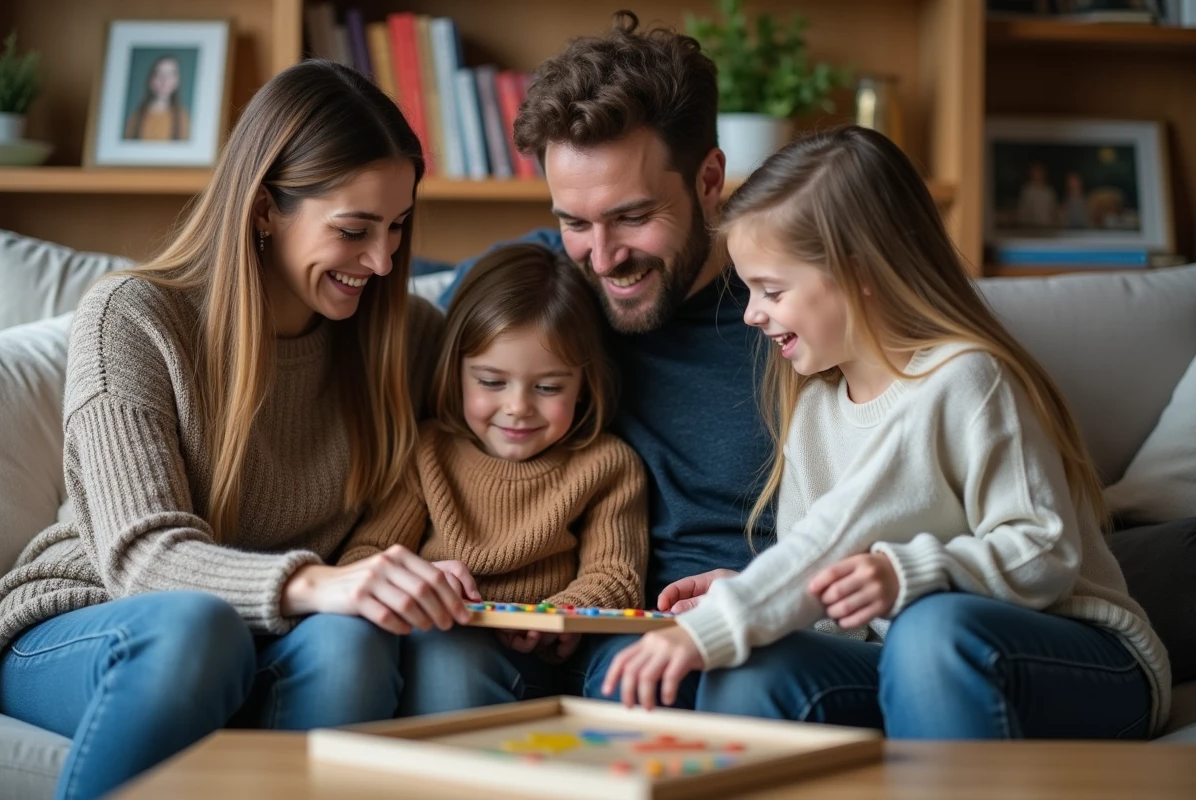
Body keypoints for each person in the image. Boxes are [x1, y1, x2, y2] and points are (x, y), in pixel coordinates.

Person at [601, 126, 1172, 739]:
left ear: (858, 272)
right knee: (751, 669)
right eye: (748, 290)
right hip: (904, 659)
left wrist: (910, 576)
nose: (750, 314)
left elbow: (1044, 552)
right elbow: (822, 566)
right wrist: (756, 593)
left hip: (1086, 657)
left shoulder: (965, 380)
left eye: (771, 290)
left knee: (933, 629)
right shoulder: (815, 408)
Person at [0, 60, 467, 799]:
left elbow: (507, 428)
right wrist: (322, 582)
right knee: (200, 629)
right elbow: (142, 558)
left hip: (279, 635)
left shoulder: (405, 337)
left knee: (353, 645)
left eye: (399, 227)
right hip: (93, 621)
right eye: (353, 230)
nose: (382, 261)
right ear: (263, 209)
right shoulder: (134, 317)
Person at [439, 11, 773, 708]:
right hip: (563, 640)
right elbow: (397, 335)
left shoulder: (792, 309)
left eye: (631, 216)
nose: (603, 255)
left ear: (710, 179)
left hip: (738, 630)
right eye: (574, 221)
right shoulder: (543, 289)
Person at [343, 242, 649, 715]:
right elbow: (366, 556)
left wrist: (558, 614)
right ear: (456, 372)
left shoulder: (607, 465)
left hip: (543, 660)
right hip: (444, 641)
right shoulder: (428, 452)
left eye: (548, 387)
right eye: (490, 382)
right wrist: (420, 578)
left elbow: (616, 575)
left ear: (584, 384)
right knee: (450, 657)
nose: (518, 407)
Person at [124, 55, 191, 141]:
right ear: (151, 80)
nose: (164, 81)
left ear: (177, 81)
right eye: (159, 74)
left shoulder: (182, 117)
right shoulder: (136, 116)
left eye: (170, 75)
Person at [1016, 161, 1058, 228]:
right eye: (1036, 173)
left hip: (1047, 227)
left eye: (1040, 173)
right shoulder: (1027, 191)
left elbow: (1053, 210)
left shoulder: (1049, 191)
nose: (1038, 175)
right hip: (1031, 228)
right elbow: (1022, 212)